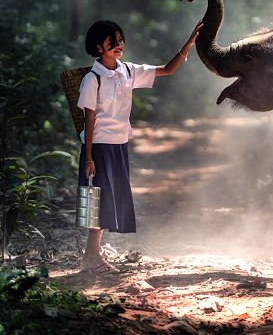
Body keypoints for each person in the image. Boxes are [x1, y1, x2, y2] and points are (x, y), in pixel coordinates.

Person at [77, 18, 202, 274]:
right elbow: (89, 119)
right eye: (112, 41)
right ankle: (91, 255)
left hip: (119, 146)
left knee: (110, 200)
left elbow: (167, 69)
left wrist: (188, 44)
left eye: (120, 40)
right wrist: (88, 156)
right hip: (99, 147)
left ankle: (92, 254)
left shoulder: (128, 71)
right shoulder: (92, 79)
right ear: (98, 47)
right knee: (97, 200)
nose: (119, 45)